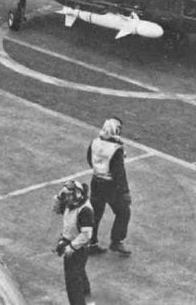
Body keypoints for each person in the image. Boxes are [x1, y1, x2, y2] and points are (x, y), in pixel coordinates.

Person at [86, 117, 131, 256]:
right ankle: (116, 241)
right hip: (111, 185)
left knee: (95, 214)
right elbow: (119, 173)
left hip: (96, 181)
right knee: (123, 212)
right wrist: (125, 192)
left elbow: (89, 159)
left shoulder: (94, 142)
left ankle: (91, 243)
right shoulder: (116, 149)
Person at [53, 180, 95, 305]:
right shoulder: (70, 204)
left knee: (72, 280)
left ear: (77, 194)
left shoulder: (84, 210)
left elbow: (86, 235)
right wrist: (58, 198)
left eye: (70, 196)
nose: (68, 199)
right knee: (79, 272)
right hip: (70, 242)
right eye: (66, 196)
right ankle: (87, 296)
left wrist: (71, 247)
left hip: (78, 248)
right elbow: (56, 209)